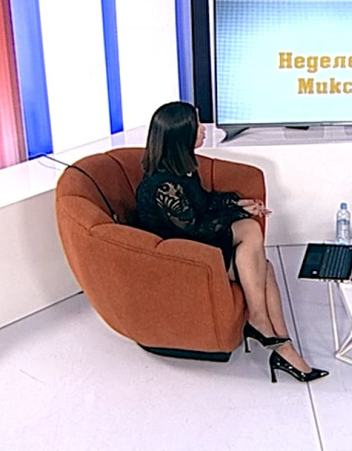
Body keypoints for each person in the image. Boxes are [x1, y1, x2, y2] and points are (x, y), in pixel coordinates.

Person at [136, 102, 328, 383]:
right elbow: (196, 230)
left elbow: (203, 203)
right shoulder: (163, 186)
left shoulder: (182, 169)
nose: (204, 129)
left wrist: (238, 204)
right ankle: (261, 324)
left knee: (265, 266)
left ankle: (282, 347)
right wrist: (239, 214)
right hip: (182, 256)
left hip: (197, 242)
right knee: (250, 232)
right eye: (197, 126)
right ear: (181, 136)